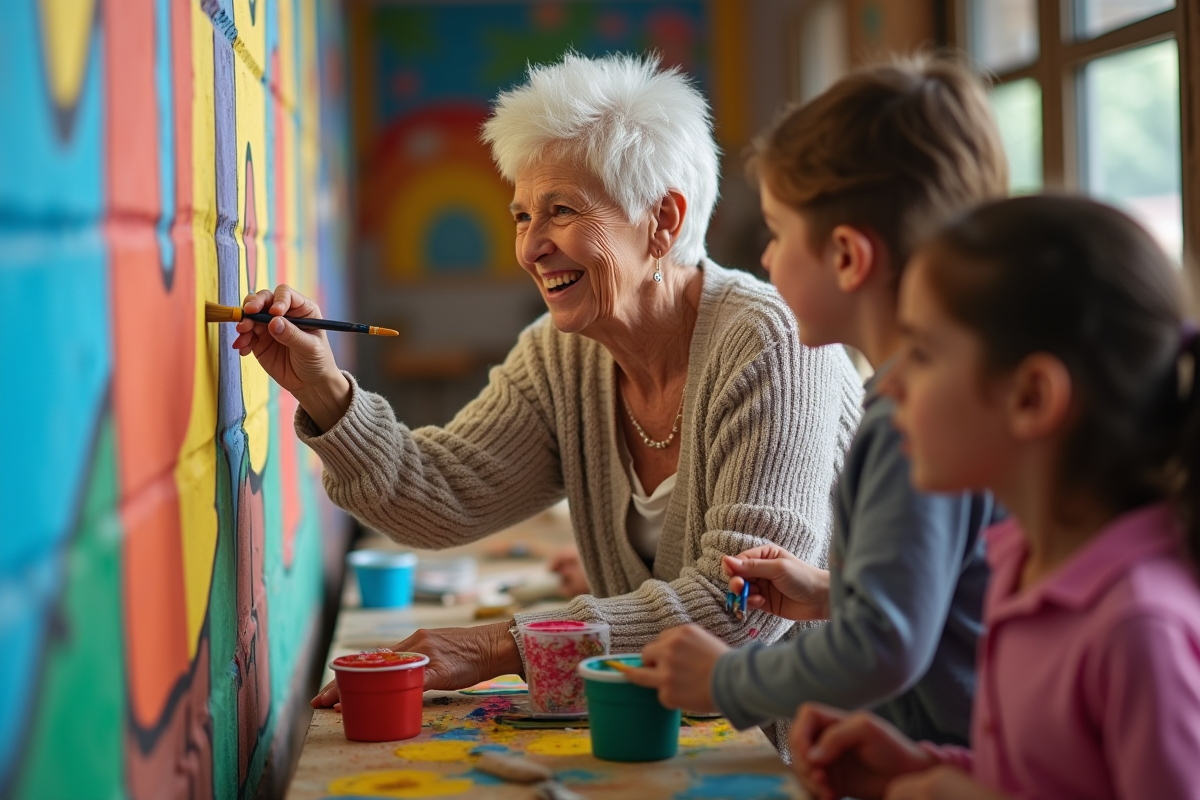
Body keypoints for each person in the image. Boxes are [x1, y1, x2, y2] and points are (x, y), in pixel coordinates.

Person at [231, 53, 862, 702]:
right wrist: (323, 389)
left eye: (561, 210)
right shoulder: (563, 356)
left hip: (814, 749)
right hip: (670, 726)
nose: (531, 247)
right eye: (521, 216)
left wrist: (502, 645)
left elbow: (741, 614)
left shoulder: (771, 345)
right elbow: (442, 499)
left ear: (663, 221)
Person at [626, 54, 1007, 752]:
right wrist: (837, 590)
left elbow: (885, 648)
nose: (766, 260)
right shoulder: (953, 393)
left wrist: (729, 680)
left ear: (847, 257)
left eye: (777, 232)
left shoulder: (912, 424)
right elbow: (956, 591)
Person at [791, 195, 1200, 800]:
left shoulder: (1140, 626)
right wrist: (919, 767)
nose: (893, 381)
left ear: (1031, 398)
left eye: (923, 354)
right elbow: (1046, 778)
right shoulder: (1019, 564)